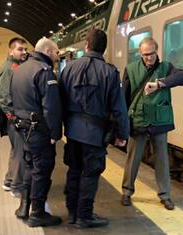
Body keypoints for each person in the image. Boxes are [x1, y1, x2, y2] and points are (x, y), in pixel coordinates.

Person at [59, 29, 129, 228]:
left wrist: (62, 126)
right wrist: (122, 134)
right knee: (90, 173)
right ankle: (84, 216)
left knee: (74, 170)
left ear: (86, 45)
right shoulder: (109, 72)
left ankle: (72, 212)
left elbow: (60, 101)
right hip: (95, 134)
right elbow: (119, 108)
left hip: (72, 132)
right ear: (104, 49)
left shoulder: (69, 69)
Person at [121, 37, 183, 210]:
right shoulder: (131, 69)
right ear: (140, 54)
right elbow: (124, 97)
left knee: (162, 159)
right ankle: (127, 192)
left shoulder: (166, 67)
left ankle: (165, 195)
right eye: (144, 55)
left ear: (157, 51)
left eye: (151, 54)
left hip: (159, 120)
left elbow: (182, 77)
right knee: (133, 157)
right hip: (138, 119)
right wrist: (122, 125)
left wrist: (159, 84)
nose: (148, 58)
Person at [10, 37, 62, 227]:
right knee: (41, 170)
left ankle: (24, 207)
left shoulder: (19, 69)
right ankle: (38, 213)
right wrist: (55, 134)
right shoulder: (44, 71)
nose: (57, 57)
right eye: (56, 53)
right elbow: (52, 108)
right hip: (39, 131)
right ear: (47, 51)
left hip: (23, 129)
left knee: (30, 166)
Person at [0, 37, 27, 197]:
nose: (24, 52)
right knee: (20, 151)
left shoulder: (15, 66)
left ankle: (9, 181)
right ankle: (16, 187)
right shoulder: (9, 68)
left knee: (16, 151)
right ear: (11, 51)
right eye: (20, 49)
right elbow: (4, 97)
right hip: (14, 118)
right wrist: (13, 117)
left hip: (13, 117)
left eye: (25, 49)